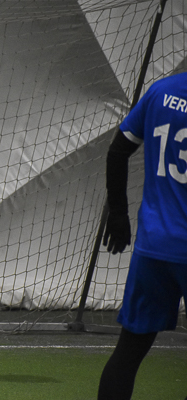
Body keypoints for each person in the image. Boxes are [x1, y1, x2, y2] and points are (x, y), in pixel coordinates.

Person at [99, 71, 187, 399]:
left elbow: (117, 152)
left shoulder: (160, 91)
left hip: (153, 247)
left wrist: (119, 213)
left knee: (129, 352)